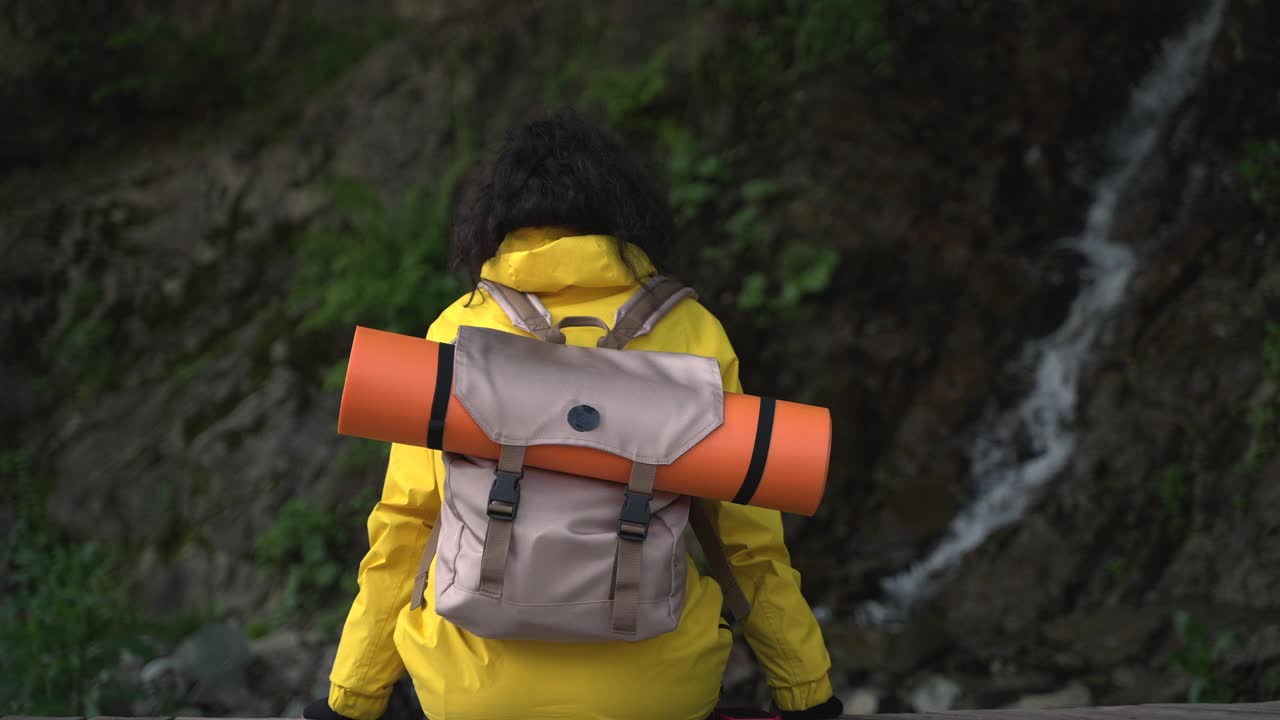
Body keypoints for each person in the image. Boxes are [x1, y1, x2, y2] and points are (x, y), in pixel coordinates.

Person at [304, 111, 843, 720]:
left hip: (477, 699)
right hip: (656, 695)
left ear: (499, 217)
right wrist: (807, 695)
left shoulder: (463, 328)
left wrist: (352, 698)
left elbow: (406, 526)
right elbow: (745, 540)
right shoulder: (689, 330)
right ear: (623, 208)